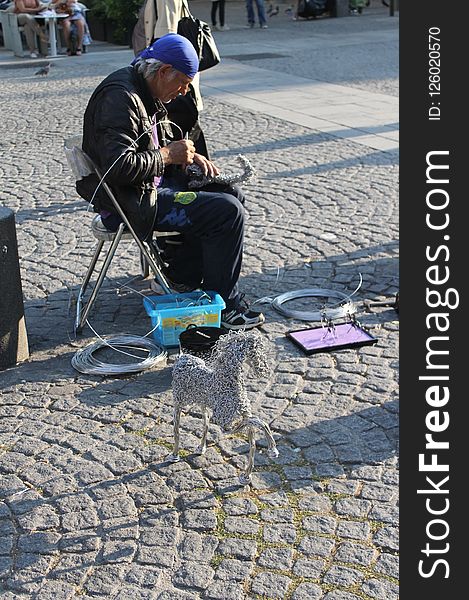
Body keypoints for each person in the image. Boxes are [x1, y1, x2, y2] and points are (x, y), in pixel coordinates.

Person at [78, 34, 265, 330]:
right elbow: (119, 167)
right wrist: (168, 154)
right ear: (164, 71)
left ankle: (186, 276)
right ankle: (224, 306)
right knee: (227, 212)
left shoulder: (143, 87)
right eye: (183, 82)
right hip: (129, 201)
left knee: (231, 193)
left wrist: (185, 157)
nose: (184, 91)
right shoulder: (120, 97)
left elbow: (149, 144)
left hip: (145, 188)